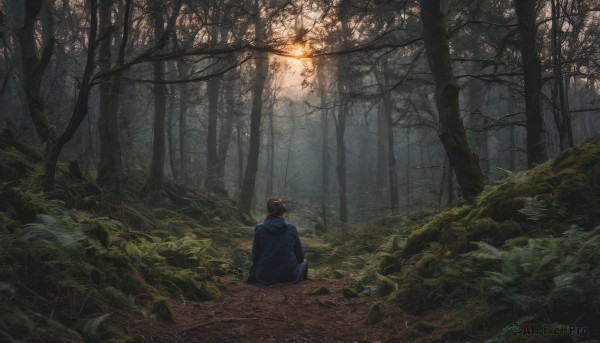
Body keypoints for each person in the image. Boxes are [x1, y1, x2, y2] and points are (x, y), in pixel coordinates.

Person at [247, 197, 308, 284]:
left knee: (253, 267)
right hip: (290, 277)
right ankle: (301, 284)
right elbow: (300, 257)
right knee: (304, 263)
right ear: (282, 211)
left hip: (264, 277)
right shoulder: (291, 228)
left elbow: (254, 258)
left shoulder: (260, 228)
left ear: (268, 210)